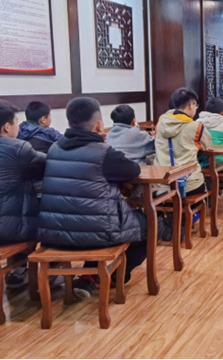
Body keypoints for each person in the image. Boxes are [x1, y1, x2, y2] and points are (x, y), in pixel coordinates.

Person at [38, 97, 147, 299]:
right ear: (99, 125)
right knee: (149, 224)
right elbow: (134, 170)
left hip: (54, 233)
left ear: (68, 123)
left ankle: (90, 277)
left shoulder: (53, 149)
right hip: (99, 233)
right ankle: (115, 276)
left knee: (93, 221)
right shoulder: (104, 153)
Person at [0, 99, 47, 288]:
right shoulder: (18, 149)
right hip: (3, 231)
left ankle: (19, 271)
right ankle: (50, 273)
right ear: (7, 127)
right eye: (17, 122)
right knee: (51, 215)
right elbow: (48, 165)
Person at [154, 87, 212, 196]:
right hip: (187, 183)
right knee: (209, 185)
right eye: (195, 105)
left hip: (161, 183)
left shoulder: (161, 122)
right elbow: (207, 145)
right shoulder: (196, 127)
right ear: (191, 105)